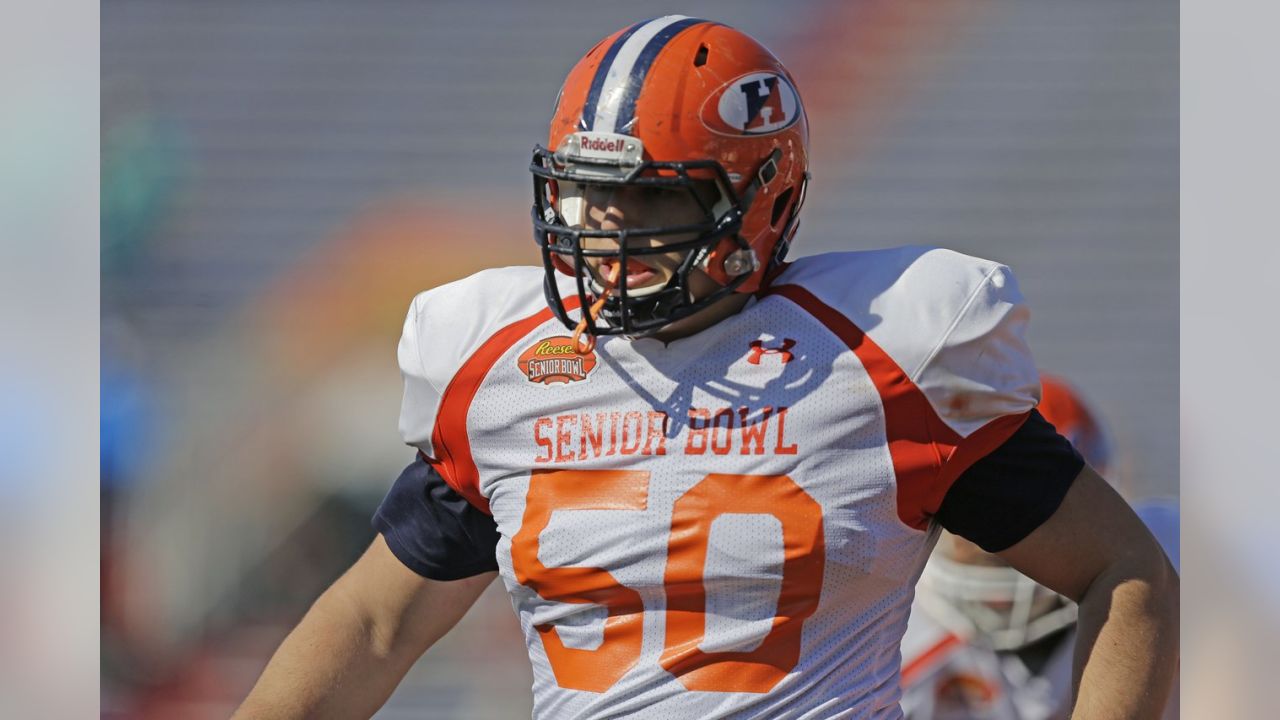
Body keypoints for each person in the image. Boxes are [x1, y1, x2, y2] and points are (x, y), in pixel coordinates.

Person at [234, 16, 1177, 719]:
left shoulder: (885, 355)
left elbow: (1125, 570)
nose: (602, 234)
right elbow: (374, 622)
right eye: (587, 198)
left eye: (645, 201)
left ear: (761, 195)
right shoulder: (501, 366)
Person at [900, 374, 1180, 719]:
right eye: (983, 541)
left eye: (1032, 536)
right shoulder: (896, 635)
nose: (1016, 558)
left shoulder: (1170, 555)